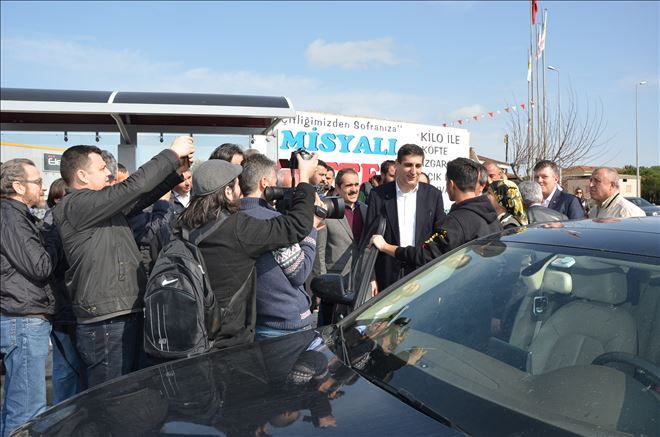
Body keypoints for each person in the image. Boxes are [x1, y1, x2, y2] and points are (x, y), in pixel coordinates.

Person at [52, 136, 194, 388]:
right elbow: (132, 188)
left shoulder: (99, 207)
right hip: (106, 321)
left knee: (129, 393)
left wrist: (175, 174)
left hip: (121, 312)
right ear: (82, 175)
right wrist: (171, 154)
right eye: (101, 168)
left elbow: (139, 199)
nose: (108, 173)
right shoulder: (76, 205)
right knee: (111, 396)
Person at [175, 152, 321, 349]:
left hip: (196, 328)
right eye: (236, 184)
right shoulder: (238, 227)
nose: (240, 189)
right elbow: (297, 227)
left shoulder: (181, 226)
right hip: (231, 335)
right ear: (227, 192)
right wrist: (304, 180)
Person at [1, 159, 59, 437]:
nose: (42, 187)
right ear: (18, 186)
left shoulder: (15, 216)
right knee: (27, 412)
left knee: (16, 407)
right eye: (37, 182)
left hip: (20, 315)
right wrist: (54, 236)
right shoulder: (13, 218)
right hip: (23, 318)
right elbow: (41, 266)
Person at [238, 154, 322, 339]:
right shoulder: (271, 221)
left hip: (255, 321)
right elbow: (299, 272)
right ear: (264, 183)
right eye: (275, 183)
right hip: (285, 325)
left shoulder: (234, 217)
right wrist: (312, 229)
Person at [372, 157, 501, 268]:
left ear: (451, 184)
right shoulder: (491, 216)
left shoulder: (456, 221)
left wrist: (385, 247)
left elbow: (426, 255)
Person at [361, 144, 445, 292]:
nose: (413, 171)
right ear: (397, 165)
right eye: (408, 165)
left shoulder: (433, 195)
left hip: (423, 273)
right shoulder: (378, 195)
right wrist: (371, 277)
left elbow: (439, 237)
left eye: (418, 166)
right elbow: (369, 237)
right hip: (387, 275)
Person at [43, 178, 87, 403]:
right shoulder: (55, 224)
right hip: (65, 305)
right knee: (67, 368)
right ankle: (68, 413)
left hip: (67, 305)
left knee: (68, 367)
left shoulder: (53, 222)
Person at [315, 168, 368, 325]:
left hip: (360, 281)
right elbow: (319, 251)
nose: (354, 189)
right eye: (349, 185)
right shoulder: (327, 209)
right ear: (338, 187)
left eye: (356, 184)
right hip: (334, 283)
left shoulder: (365, 210)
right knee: (328, 327)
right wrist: (322, 284)